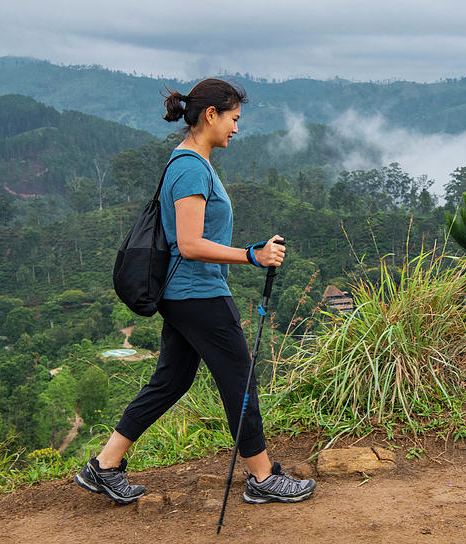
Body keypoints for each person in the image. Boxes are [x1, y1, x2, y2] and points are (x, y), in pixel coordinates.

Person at [75, 78, 316, 505]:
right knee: (240, 379)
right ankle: (261, 478)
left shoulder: (193, 163)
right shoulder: (189, 168)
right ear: (211, 115)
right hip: (196, 294)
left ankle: (104, 465)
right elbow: (189, 244)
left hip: (185, 294)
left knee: (171, 380)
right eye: (233, 119)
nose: (236, 129)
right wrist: (251, 255)